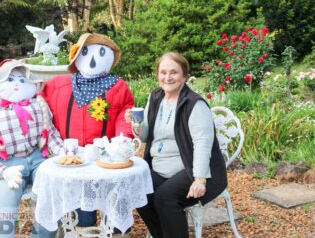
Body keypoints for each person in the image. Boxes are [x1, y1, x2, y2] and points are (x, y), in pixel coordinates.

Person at [125, 52, 227, 238]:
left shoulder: (194, 104)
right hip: (159, 166)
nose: (168, 77)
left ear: (185, 76)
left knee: (165, 197)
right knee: (137, 190)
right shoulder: (155, 97)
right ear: (158, 75)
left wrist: (200, 179)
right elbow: (146, 136)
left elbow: (202, 145)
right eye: (163, 72)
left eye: (174, 72)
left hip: (190, 169)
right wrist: (136, 124)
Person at [41, 33, 134, 237]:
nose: (92, 59)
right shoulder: (58, 85)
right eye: (86, 52)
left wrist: (121, 140)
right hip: (73, 159)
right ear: (76, 56)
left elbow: (124, 115)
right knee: (82, 201)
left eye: (101, 53)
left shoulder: (118, 86)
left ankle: (116, 230)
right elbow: (40, 108)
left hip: (107, 158)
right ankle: (84, 230)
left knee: (114, 197)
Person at [0, 59, 64, 238]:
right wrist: (3, 172)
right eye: (10, 79)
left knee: (52, 196)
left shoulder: (38, 105)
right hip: (8, 164)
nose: (17, 85)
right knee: (4, 208)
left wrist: (64, 152)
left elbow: (50, 134)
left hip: (37, 159)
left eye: (22, 80)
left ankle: (41, 235)